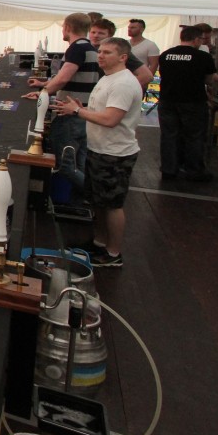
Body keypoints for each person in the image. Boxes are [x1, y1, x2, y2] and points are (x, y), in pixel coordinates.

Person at [54, 38, 142, 268]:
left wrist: (78, 112)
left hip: (114, 153)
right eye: (100, 51)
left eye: (108, 52)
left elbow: (111, 119)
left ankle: (113, 254)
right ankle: (100, 242)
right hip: (100, 148)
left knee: (112, 205)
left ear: (123, 57)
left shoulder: (123, 83)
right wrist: (81, 109)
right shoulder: (109, 78)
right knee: (98, 202)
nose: (101, 56)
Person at [25, 12, 99, 195]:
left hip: (70, 115)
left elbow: (62, 79)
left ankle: (96, 196)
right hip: (82, 113)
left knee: (66, 165)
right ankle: (78, 199)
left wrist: (43, 93)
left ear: (67, 27)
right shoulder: (89, 47)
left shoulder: (76, 48)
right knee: (77, 162)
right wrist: (45, 85)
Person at [157, 25, 218, 182]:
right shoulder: (202, 57)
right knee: (194, 136)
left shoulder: (165, 55)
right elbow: (209, 80)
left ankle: (168, 170)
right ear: (196, 39)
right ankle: (194, 170)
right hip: (193, 102)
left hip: (167, 100)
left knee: (169, 135)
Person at [88, 19, 153, 90]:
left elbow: (146, 76)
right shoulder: (85, 48)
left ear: (110, 35)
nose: (96, 35)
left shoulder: (119, 52)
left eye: (101, 33)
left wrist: (119, 89)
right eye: (93, 32)